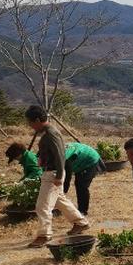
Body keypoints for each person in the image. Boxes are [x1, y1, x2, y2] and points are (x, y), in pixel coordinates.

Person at [24, 106, 89, 248]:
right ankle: (80, 223)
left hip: (53, 173)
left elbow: (60, 155)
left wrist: (59, 176)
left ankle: (44, 235)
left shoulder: (51, 133)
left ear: (37, 120)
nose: (30, 126)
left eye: (30, 122)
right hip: (51, 172)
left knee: (42, 206)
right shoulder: (47, 133)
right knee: (61, 201)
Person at [62, 142, 103, 216]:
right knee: (79, 183)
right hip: (80, 159)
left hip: (90, 160)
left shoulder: (65, 157)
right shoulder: (52, 151)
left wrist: (63, 190)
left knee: (82, 186)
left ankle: (83, 211)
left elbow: (67, 176)